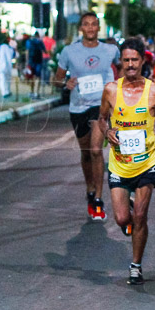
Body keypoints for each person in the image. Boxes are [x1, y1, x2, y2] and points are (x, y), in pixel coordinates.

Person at [98, 38, 155, 285]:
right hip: (119, 164)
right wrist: (107, 130)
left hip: (146, 162)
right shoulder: (110, 90)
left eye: (135, 60)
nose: (130, 65)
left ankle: (136, 266)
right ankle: (127, 208)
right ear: (121, 61)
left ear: (142, 61)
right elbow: (101, 118)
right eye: (126, 60)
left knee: (140, 215)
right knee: (121, 219)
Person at [53, 12, 120, 221]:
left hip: (100, 107)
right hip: (78, 107)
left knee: (95, 150)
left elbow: (122, 69)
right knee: (85, 153)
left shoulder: (110, 50)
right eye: (86, 25)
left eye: (94, 24)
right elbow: (56, 79)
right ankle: (90, 188)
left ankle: (99, 199)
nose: (90, 28)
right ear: (81, 28)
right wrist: (66, 84)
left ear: (98, 27)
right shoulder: (69, 52)